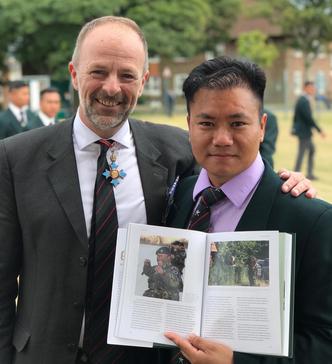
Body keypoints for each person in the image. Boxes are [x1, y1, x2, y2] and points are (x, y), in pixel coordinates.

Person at [0, 16, 315, 364]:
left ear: (144, 80)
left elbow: (232, 179)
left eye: (127, 76)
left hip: (143, 356)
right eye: (98, 72)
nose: (112, 87)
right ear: (74, 74)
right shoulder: (15, 158)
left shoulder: (179, 150)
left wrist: (287, 182)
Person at [164, 56, 332, 364]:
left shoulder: (313, 221)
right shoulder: (178, 195)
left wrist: (236, 362)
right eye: (206, 123)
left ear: (262, 126)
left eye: (237, 123)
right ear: (189, 125)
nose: (222, 139)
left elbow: (325, 343)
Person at [293, 81, 326, 180]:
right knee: (302, 153)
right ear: (306, 88)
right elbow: (309, 118)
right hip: (304, 132)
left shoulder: (304, 99)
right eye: (311, 88)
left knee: (311, 150)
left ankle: (309, 174)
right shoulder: (303, 101)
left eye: (314, 88)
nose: (313, 90)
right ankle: (295, 174)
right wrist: (320, 130)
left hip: (305, 132)